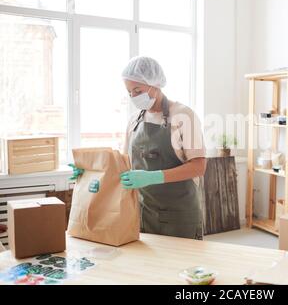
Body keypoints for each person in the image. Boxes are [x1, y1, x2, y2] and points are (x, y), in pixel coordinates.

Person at [70, 56, 206, 240]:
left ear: (155, 85)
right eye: (129, 92)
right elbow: (123, 165)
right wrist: (90, 175)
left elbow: (198, 166)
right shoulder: (135, 120)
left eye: (137, 90)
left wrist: (154, 176)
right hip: (142, 212)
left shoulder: (183, 116)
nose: (134, 97)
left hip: (178, 215)